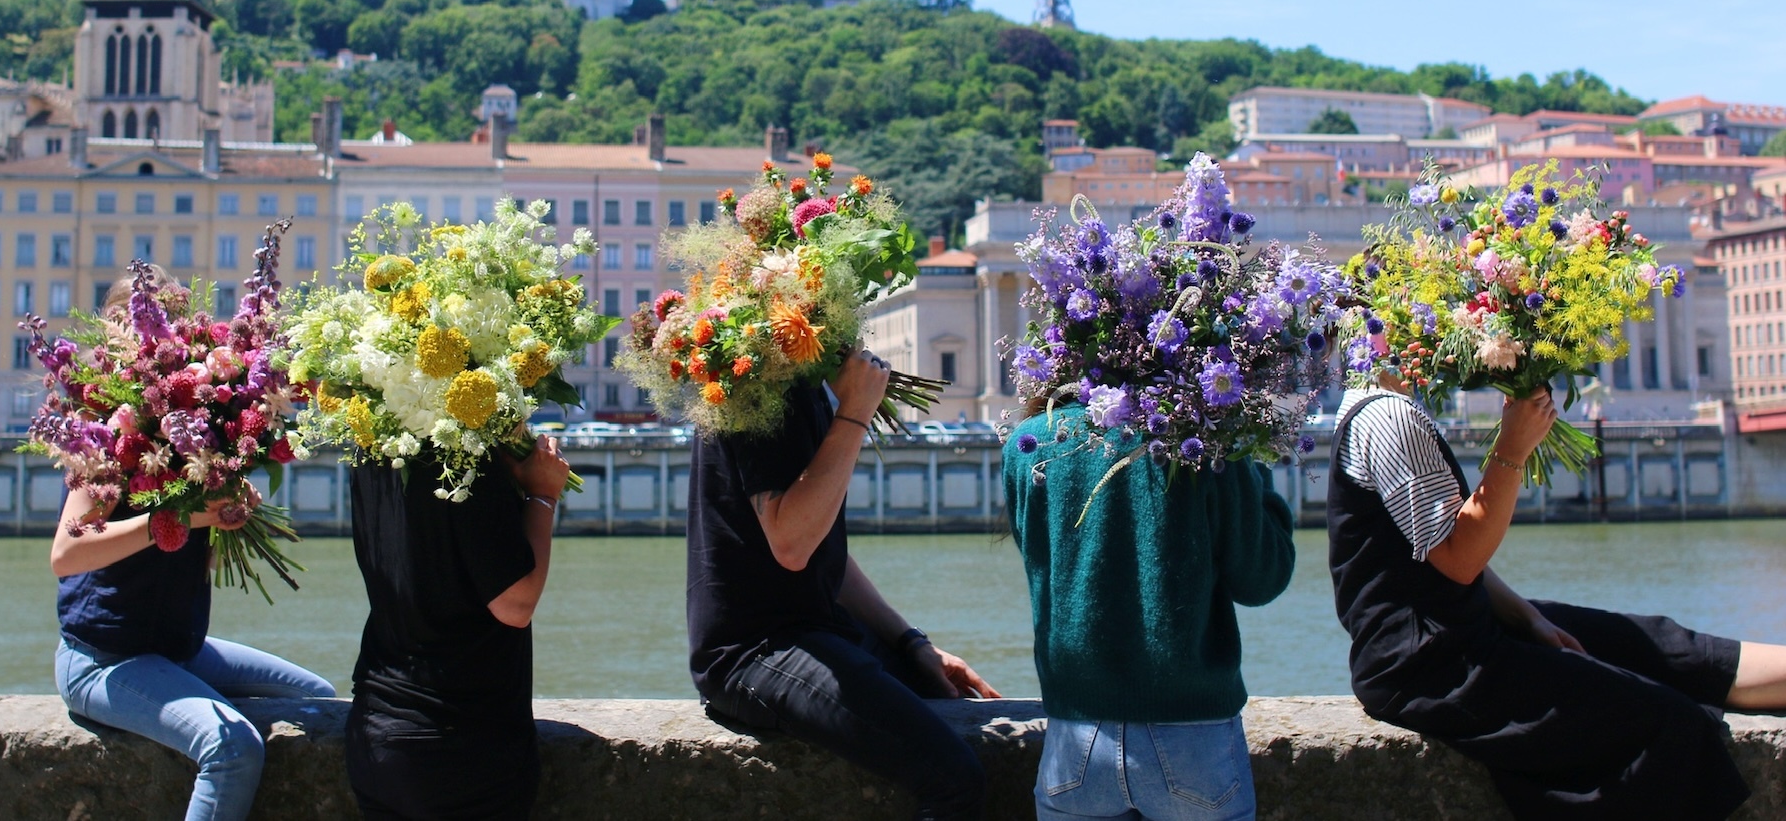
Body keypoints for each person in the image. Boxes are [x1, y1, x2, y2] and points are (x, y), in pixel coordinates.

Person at [1328, 377, 1786, 819]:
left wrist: (1527, 617)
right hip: (1426, 666)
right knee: (1666, 723)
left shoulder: (1385, 406)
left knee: (1654, 645)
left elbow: (1439, 552)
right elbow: (1459, 557)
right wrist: (1513, 449)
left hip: (1451, 631)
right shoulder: (1390, 417)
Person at [51, 271, 335, 821]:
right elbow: (67, 554)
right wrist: (168, 518)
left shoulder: (190, 424)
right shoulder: (104, 436)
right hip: (103, 659)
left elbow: (189, 556)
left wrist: (226, 504)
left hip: (176, 647)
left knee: (319, 699)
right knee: (232, 747)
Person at [688, 349, 1004, 821]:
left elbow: (823, 551)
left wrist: (911, 641)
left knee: (934, 693)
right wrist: (855, 413)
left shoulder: (795, 383)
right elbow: (792, 543)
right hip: (754, 651)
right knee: (954, 778)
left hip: (812, 631)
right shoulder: (756, 388)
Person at [1001, 399, 1296, 821]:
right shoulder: (1207, 439)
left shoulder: (1028, 443)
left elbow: (1042, 565)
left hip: (1075, 738)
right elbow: (1263, 577)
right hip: (1193, 737)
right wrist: (1253, 467)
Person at [344, 434, 572, 820]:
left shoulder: (370, 437)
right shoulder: (462, 456)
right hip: (460, 744)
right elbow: (515, 603)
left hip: (376, 729)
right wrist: (543, 495)